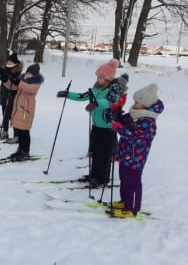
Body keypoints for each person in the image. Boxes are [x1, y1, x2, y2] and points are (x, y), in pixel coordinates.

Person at [57, 59, 120, 187]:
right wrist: (67, 94)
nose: (98, 79)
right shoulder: (96, 88)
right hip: (96, 126)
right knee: (95, 152)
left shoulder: (114, 89)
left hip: (108, 128)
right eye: (97, 76)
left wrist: (96, 104)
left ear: (107, 78)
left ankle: (102, 178)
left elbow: (110, 102)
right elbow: (82, 96)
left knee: (104, 154)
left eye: (100, 77)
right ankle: (94, 175)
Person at [111, 83, 164, 218]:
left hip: (136, 159)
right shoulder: (135, 114)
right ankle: (125, 202)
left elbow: (134, 137)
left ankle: (132, 208)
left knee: (132, 183)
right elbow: (123, 120)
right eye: (134, 101)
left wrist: (118, 128)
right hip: (125, 155)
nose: (134, 104)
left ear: (145, 104)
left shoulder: (148, 121)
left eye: (137, 102)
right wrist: (117, 113)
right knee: (123, 179)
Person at [9, 63, 44, 161]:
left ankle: (25, 151)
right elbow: (16, 87)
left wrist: (18, 82)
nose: (28, 74)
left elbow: (30, 89)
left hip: (26, 109)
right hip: (20, 107)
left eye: (30, 72)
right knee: (20, 130)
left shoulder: (36, 81)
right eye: (27, 72)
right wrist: (8, 80)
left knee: (24, 131)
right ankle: (20, 149)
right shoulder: (23, 79)